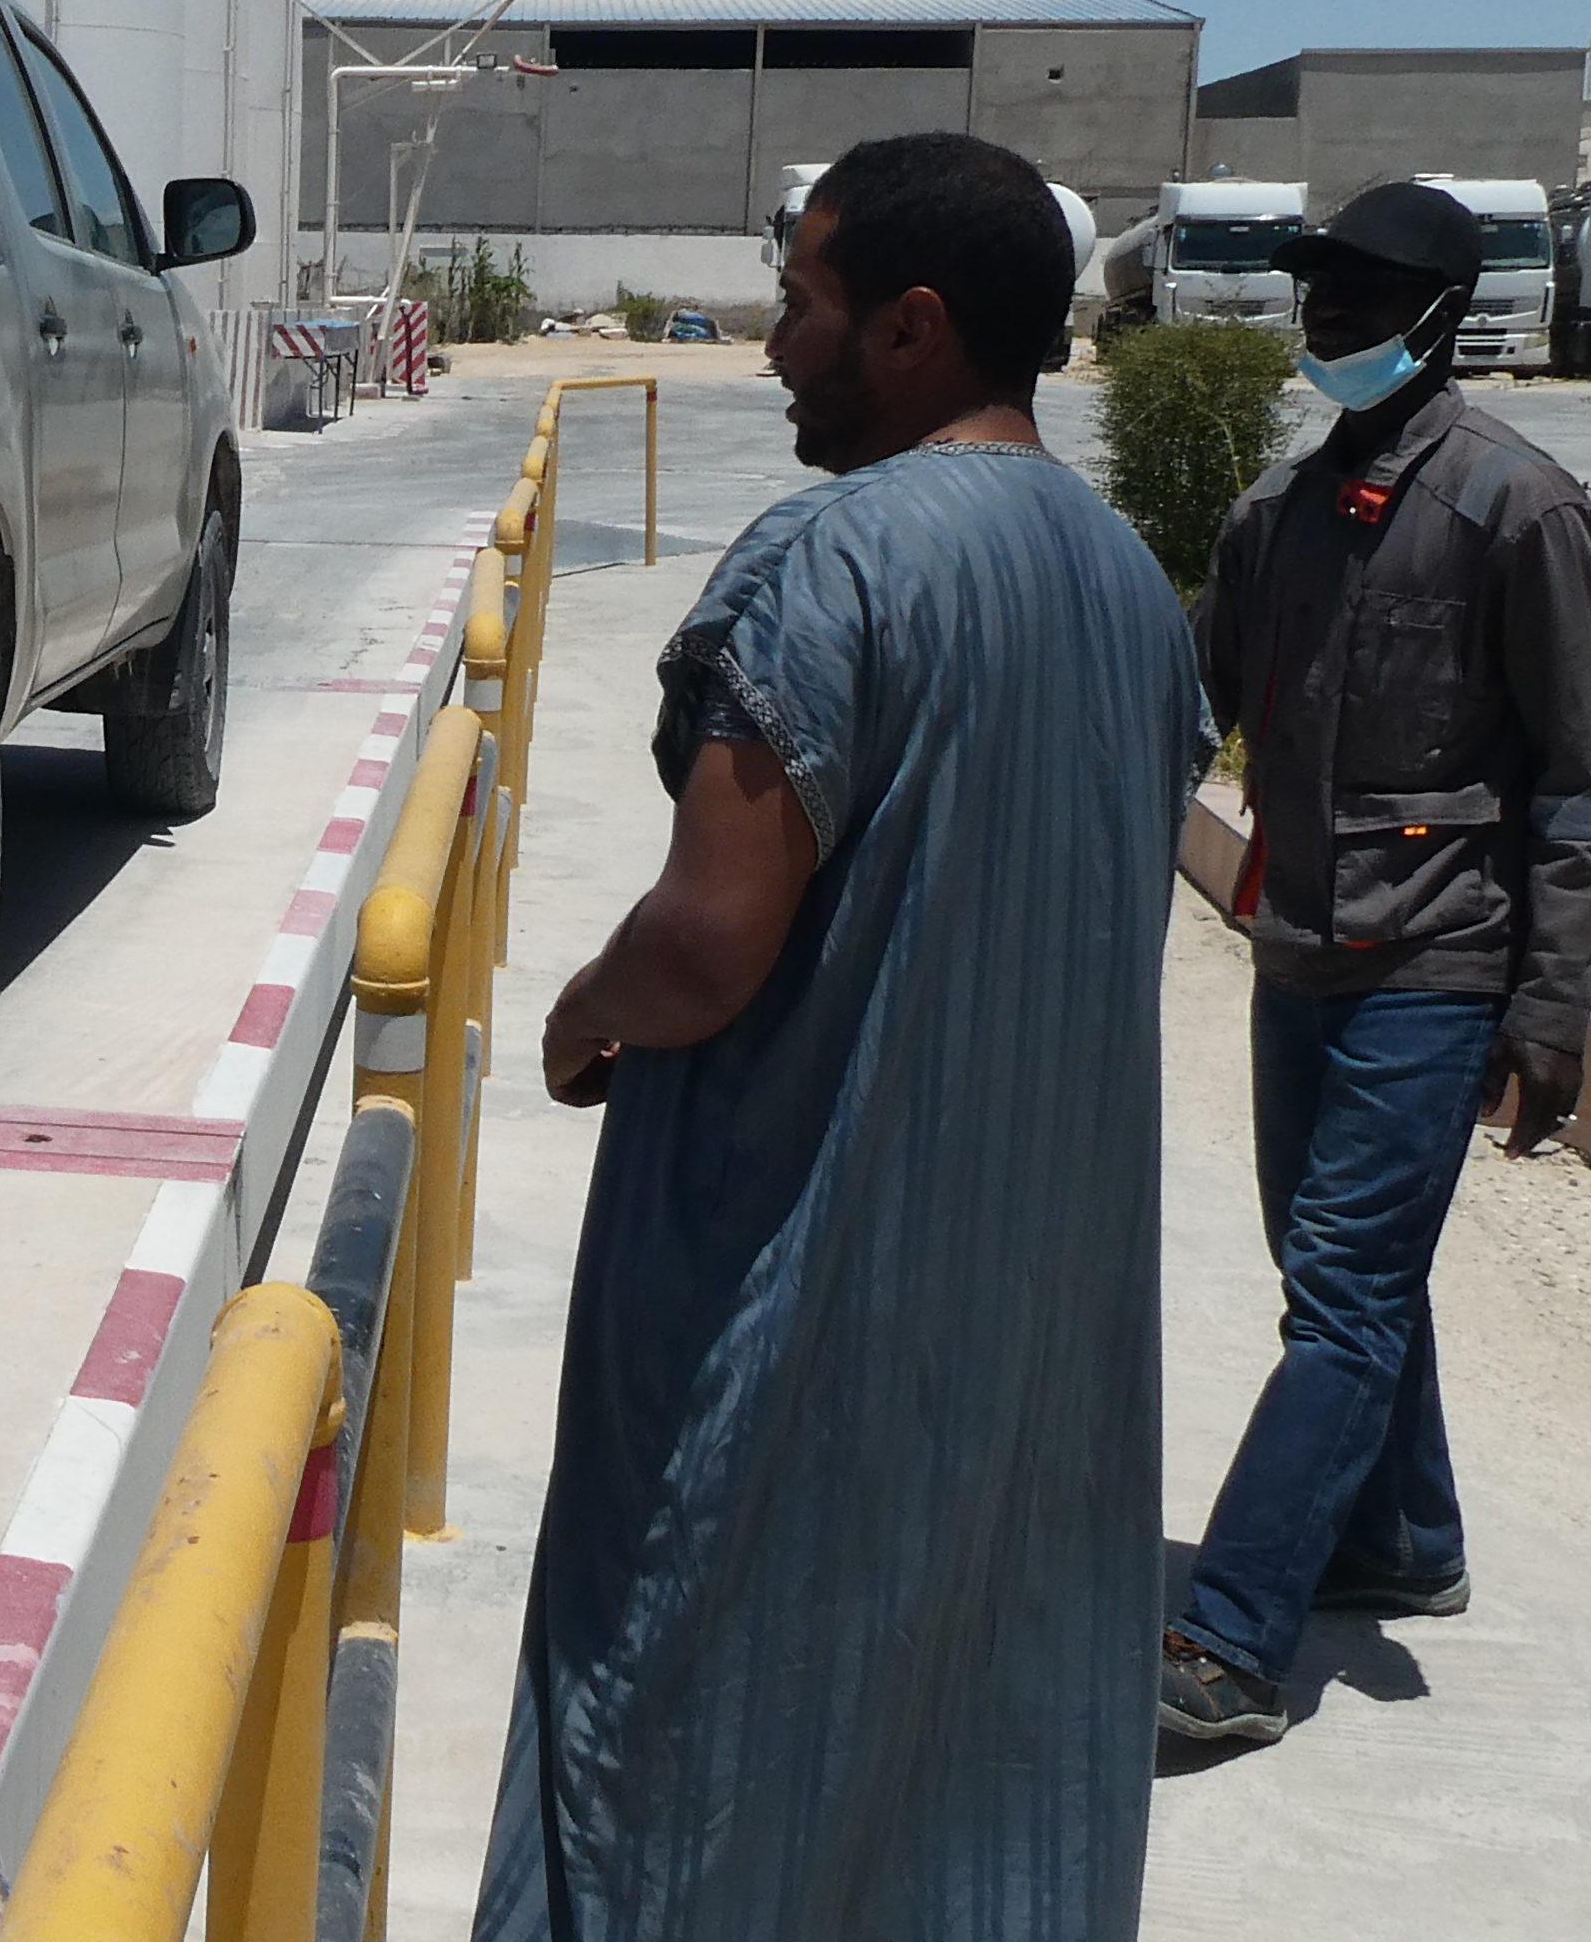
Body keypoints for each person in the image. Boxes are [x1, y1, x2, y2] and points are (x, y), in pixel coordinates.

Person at [479, 134, 1198, 1942]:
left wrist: (576, 1015)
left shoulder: (834, 558)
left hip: (794, 1295)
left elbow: (704, 941)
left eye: (799, 302)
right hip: (1029, 1317)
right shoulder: (1125, 580)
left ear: (909, 328)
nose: (773, 343)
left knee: (686, 1728)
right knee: (973, 1749)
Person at [1160, 180, 1591, 1745]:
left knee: (1346, 1295)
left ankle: (1234, 1642)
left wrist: (1551, 1009)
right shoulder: (1277, 515)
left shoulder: (1520, 510)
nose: (1327, 320)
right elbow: (1188, 711)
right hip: (1298, 951)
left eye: (1358, 297)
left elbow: (1582, 786)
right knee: (1335, 1273)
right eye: (1316, 295)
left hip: (1437, 963)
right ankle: (1406, 1540)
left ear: (1440, 317)